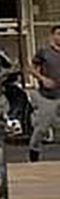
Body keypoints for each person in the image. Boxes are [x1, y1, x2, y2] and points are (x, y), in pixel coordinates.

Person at [28, 25, 60, 161]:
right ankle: (34, 153)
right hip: (48, 96)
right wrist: (42, 79)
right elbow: (31, 69)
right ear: (52, 36)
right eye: (58, 34)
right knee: (42, 127)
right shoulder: (44, 52)